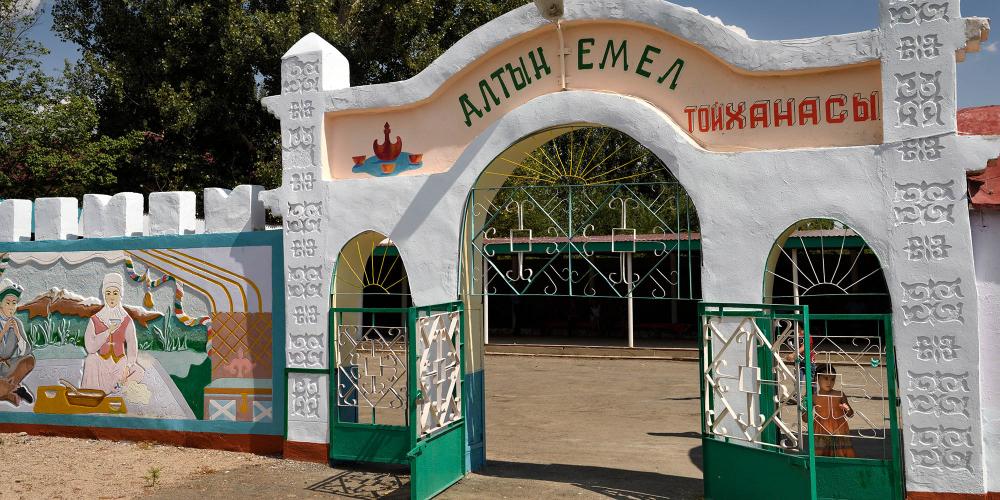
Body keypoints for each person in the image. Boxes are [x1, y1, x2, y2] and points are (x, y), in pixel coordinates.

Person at [81, 273, 144, 393]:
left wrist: (128, 365)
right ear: (104, 295)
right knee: (90, 359)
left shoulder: (126, 320)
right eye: (108, 293)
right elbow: (90, 348)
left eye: (115, 293)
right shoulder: (95, 319)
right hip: (101, 364)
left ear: (120, 295)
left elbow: (132, 345)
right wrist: (107, 332)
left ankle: (116, 388)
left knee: (138, 371)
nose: (111, 297)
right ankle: (93, 393)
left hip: (120, 364)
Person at [805, 363, 857, 458]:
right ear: (817, 378)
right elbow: (805, 419)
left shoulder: (840, 395)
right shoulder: (814, 397)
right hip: (821, 429)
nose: (829, 382)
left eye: (832, 379)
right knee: (822, 455)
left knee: (841, 453)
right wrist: (805, 408)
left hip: (839, 428)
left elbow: (850, 414)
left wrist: (847, 409)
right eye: (825, 378)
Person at [0, 279, 34, 406]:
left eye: (14, 303)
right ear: (0, 303)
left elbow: (27, 351)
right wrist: (3, 331)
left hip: (7, 367)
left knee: (29, 360)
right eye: (8, 303)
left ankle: (9, 389)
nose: (11, 307)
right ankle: (14, 391)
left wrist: (18, 334)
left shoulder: (17, 323)